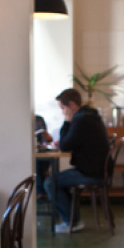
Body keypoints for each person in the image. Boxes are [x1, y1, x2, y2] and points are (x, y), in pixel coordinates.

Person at [43, 88, 110, 233]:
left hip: (90, 172)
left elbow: (66, 146)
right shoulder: (88, 115)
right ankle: (73, 218)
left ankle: (71, 222)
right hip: (96, 169)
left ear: (72, 105)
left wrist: (67, 121)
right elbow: (71, 141)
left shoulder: (81, 120)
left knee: (50, 182)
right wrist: (63, 141)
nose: (63, 112)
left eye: (63, 108)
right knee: (58, 181)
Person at [34, 115, 54, 196]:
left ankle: (42, 191)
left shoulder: (39, 119)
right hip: (31, 152)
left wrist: (46, 137)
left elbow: (47, 139)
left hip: (42, 149)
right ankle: (40, 191)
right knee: (36, 163)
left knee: (44, 161)